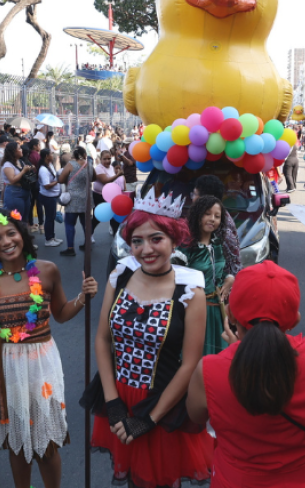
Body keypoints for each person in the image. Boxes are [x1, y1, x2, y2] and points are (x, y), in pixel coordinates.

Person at [85, 198, 214, 488]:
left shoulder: (191, 288)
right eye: (137, 241)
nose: (146, 249)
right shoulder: (120, 276)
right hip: (118, 395)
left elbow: (190, 363)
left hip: (163, 402)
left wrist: (150, 419)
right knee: (133, 477)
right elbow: (103, 340)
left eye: (156, 239)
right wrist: (112, 402)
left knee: (162, 479)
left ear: (174, 238)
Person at [0, 209, 98, 488]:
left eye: (11, 233)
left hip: (41, 365)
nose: (5, 241)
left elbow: (61, 312)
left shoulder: (47, 270)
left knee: (46, 442)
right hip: (3, 367)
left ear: (22, 235)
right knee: (17, 442)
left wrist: (83, 298)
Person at [186, 260, 305, 488]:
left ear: (230, 314)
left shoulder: (209, 369)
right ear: (295, 320)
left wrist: (234, 352)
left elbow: (196, 417)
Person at [180, 194, 233, 356]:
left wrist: (230, 278)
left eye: (217, 216)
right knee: (195, 355)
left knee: (218, 356)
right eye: (207, 214)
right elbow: (175, 282)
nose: (212, 219)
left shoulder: (218, 243)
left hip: (217, 310)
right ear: (197, 216)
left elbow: (221, 272)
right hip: (193, 311)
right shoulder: (185, 247)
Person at [58, 147, 92, 257]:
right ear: (84, 154)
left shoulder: (70, 165)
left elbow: (61, 179)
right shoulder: (89, 165)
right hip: (86, 198)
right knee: (85, 223)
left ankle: (70, 248)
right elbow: (94, 178)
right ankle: (87, 244)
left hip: (73, 198)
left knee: (70, 224)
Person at [1, 141, 35, 219]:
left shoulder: (20, 161)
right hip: (14, 193)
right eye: (19, 148)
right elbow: (12, 180)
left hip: (25, 191)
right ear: (14, 151)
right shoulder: (7, 165)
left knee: (25, 218)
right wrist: (23, 171)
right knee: (16, 219)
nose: (21, 150)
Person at [36, 149, 63, 247]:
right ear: (46, 156)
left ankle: (52, 237)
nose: (53, 155)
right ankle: (48, 239)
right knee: (49, 218)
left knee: (51, 217)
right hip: (48, 197)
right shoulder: (43, 169)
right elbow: (46, 185)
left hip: (52, 196)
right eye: (51, 153)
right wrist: (58, 181)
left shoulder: (50, 165)